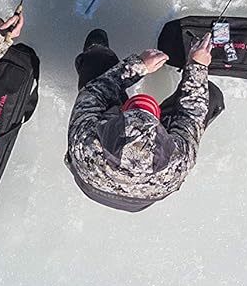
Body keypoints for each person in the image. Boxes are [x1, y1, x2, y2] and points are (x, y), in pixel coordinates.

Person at [65, 28, 225, 211]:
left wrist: (139, 66)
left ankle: (96, 51)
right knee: (210, 96)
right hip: (136, 200)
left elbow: (94, 91)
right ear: (159, 121)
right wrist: (197, 66)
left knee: (98, 62)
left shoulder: (85, 142)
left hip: (93, 185)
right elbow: (192, 114)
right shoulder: (178, 160)